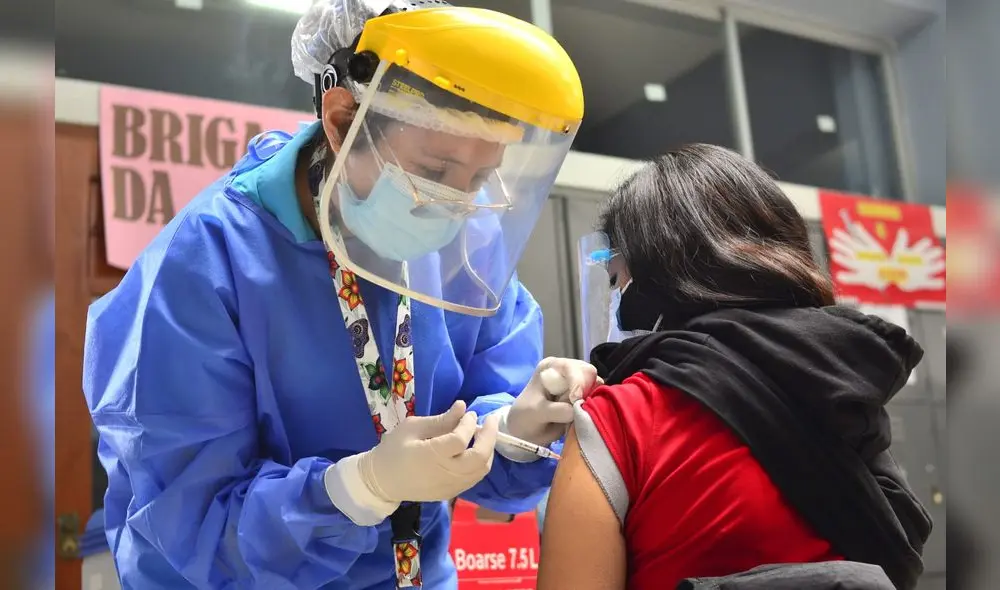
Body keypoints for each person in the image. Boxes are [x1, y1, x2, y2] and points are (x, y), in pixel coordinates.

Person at [83, 1, 596, 587]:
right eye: (433, 170)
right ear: (342, 120)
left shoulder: (464, 247)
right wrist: (362, 486)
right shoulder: (205, 263)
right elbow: (189, 525)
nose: (455, 205)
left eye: (478, 180)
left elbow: (489, 435)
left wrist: (515, 426)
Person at [536, 145, 932, 590]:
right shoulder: (851, 381)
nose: (615, 299)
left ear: (656, 279)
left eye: (616, 280)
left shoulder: (623, 417)